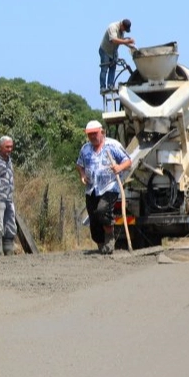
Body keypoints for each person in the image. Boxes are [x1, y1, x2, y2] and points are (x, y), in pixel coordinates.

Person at [76, 120, 132, 254]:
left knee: (102, 211)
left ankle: (109, 237)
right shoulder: (85, 149)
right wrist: (82, 175)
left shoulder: (113, 145)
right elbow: (79, 165)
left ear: (102, 132)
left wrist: (119, 167)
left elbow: (128, 161)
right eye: (89, 134)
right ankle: (101, 243)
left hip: (109, 187)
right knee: (93, 218)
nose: (92, 137)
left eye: (94, 133)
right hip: (92, 189)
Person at [98, 19, 136, 92]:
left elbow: (121, 40)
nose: (124, 31)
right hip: (105, 50)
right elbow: (114, 40)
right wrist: (127, 41)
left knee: (113, 69)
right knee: (104, 69)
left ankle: (110, 85)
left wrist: (131, 46)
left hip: (113, 51)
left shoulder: (122, 30)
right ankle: (102, 88)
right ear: (122, 25)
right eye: (125, 29)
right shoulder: (112, 27)